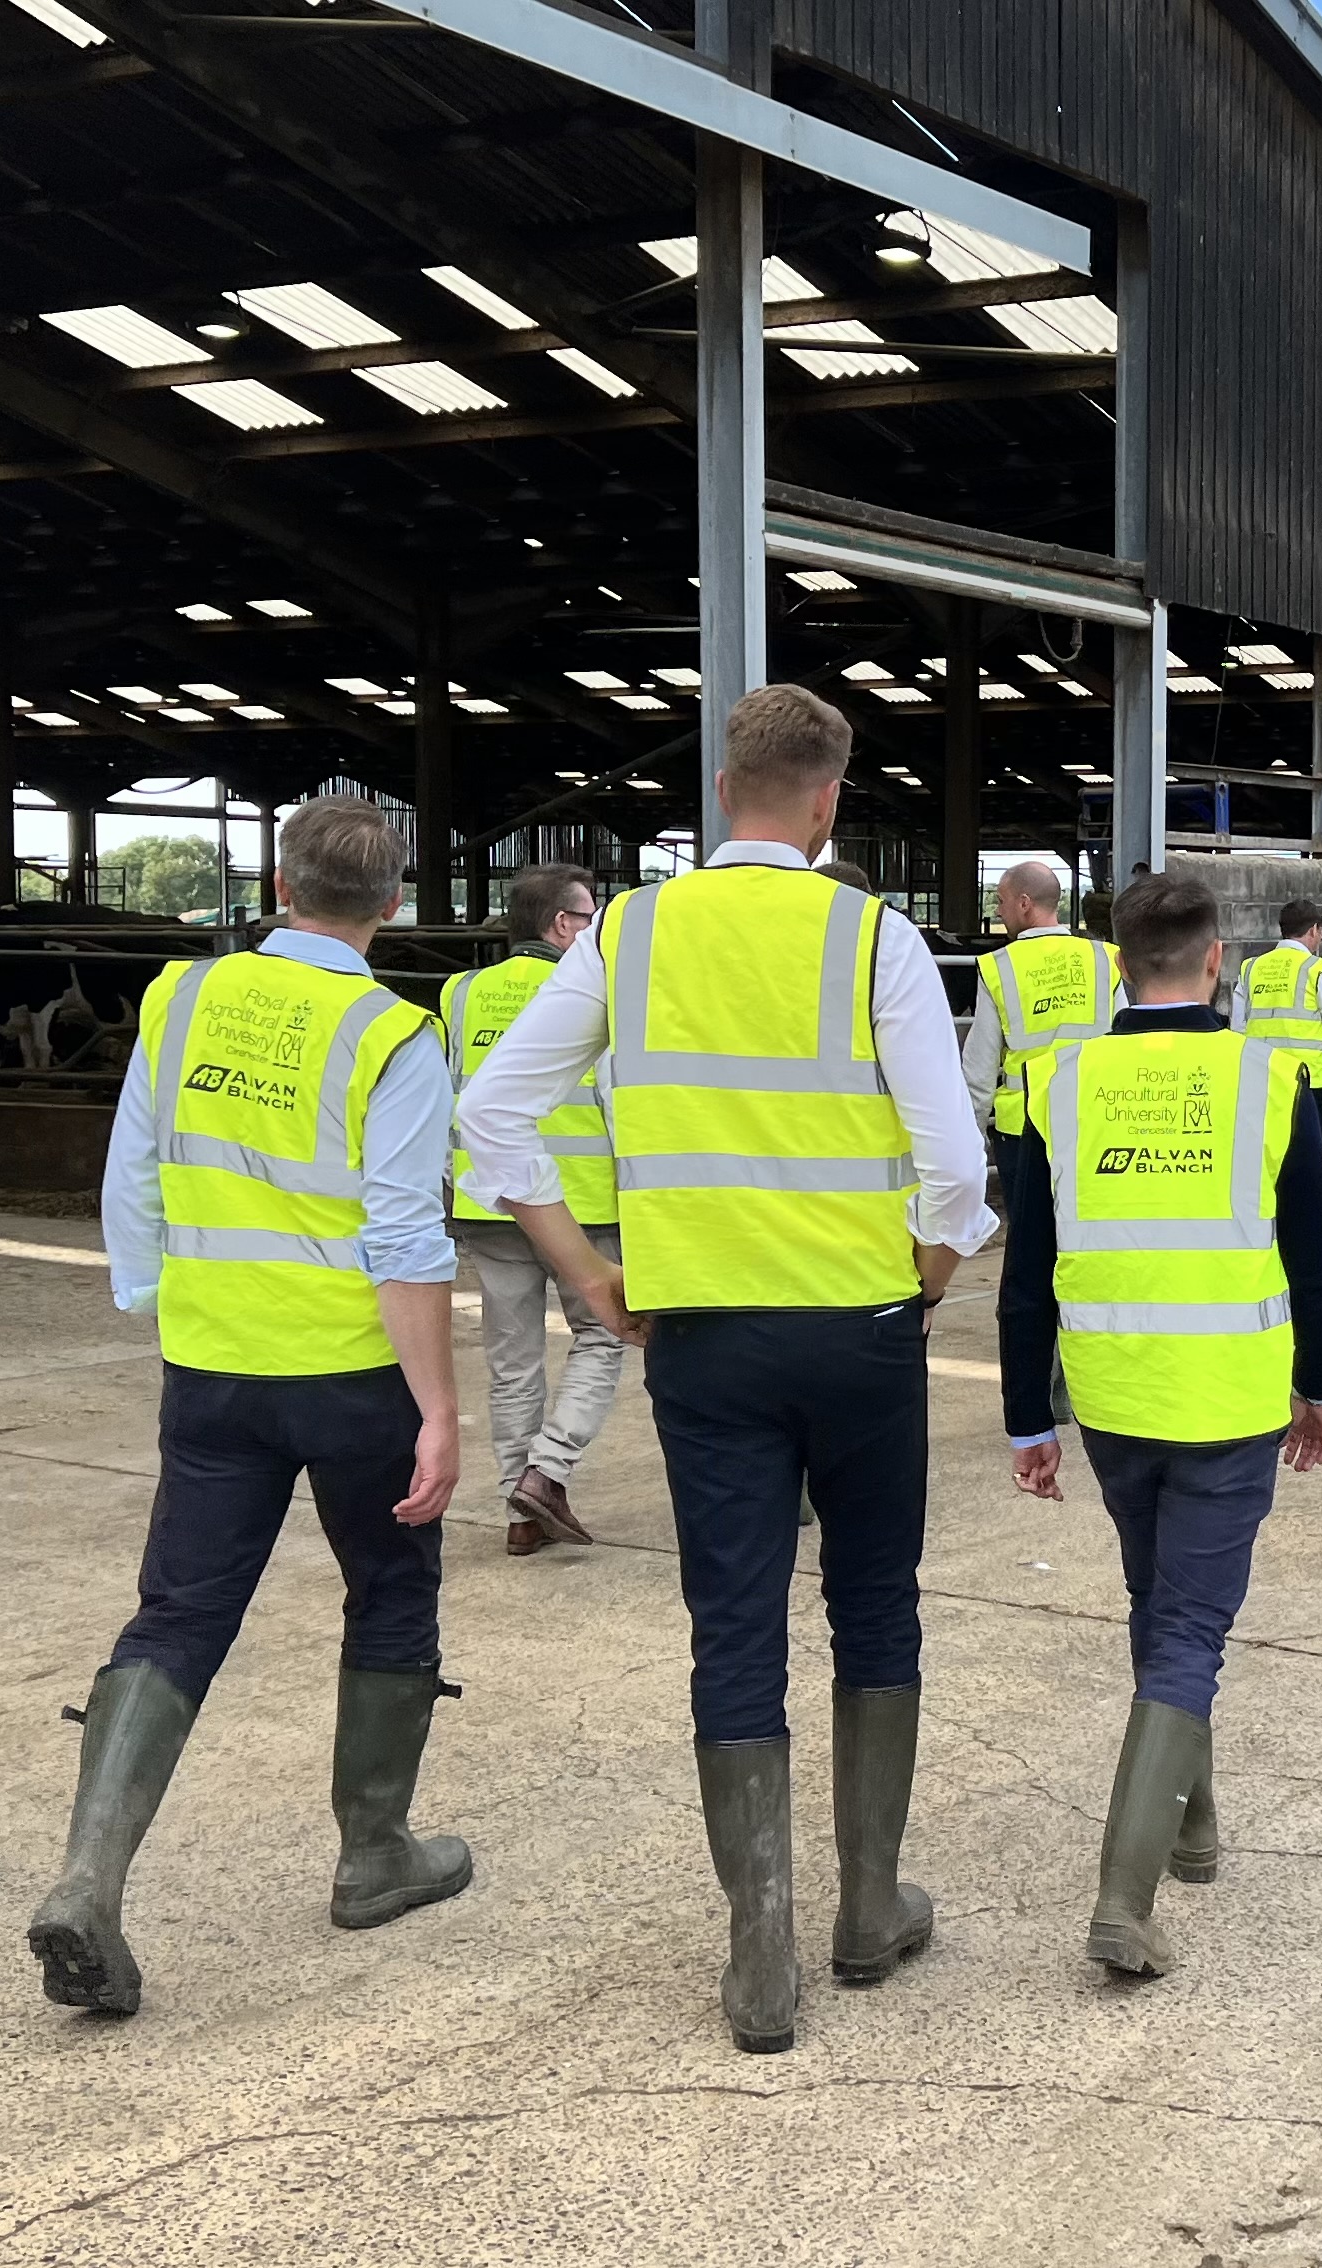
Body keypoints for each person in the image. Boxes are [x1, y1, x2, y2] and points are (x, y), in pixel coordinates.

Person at [454, 685, 995, 2057]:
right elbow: (954, 1166)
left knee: (734, 1622)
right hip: (862, 1329)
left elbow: (494, 1112)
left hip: (699, 1338)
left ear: (718, 790)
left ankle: (761, 1960)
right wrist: (923, 1284)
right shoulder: (872, 936)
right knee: (874, 1607)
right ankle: (868, 1916)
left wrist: (588, 1276)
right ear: (829, 801)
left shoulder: (629, 933)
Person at [30, 797, 472, 2018]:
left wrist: (150, 1297)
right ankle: (375, 1854)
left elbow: (134, 1159)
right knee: (390, 1588)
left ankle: (89, 1874)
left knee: (177, 1613)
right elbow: (402, 1233)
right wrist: (439, 1407)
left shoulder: (181, 996)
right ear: (393, 903)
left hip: (212, 1364)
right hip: (346, 1373)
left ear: (280, 886)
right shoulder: (394, 1035)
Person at [1000, 871, 1322, 1979]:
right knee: (1191, 1630)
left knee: (1160, 1606)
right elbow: (1316, 1255)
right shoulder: (1269, 1077)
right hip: (1232, 1396)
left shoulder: (1058, 1081)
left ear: (1115, 964)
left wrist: (1023, 1415)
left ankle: (1192, 1823)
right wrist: (1320, 1382)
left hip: (1111, 1396)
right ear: (1215, 964)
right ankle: (1120, 1899)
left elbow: (1026, 1270)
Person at [441, 864, 622, 1553]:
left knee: (512, 1359)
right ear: (561, 926)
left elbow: (449, 1090)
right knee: (604, 1335)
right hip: (579, 1200)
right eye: (591, 920)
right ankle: (547, 1471)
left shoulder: (461, 992)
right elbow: (614, 1097)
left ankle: (521, 1514)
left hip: (488, 1197)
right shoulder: (593, 989)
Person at [958, 857, 1121, 1217]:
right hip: (1093, 1122)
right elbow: (1124, 1043)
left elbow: (979, 1071)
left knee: (1029, 1247)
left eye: (1000, 901)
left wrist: (970, 1143)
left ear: (1024, 903)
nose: (997, 911)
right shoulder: (1105, 959)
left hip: (1023, 1130)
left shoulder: (1000, 967)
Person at [1231, 895, 1322, 1159]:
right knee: (1307, 1162)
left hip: (1262, 1081)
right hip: (1306, 1083)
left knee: (1265, 1161)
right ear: (1313, 929)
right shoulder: (1315, 970)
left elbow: (1238, 1028)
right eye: (1321, 935)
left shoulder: (1251, 968)